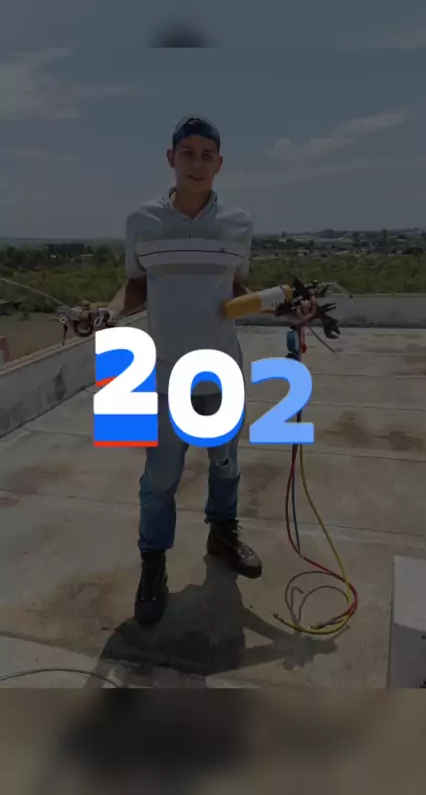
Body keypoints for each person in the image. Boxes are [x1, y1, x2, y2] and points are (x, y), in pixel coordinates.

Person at [106, 115, 263, 627]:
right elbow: (136, 285)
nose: (197, 163)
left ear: (220, 163)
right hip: (163, 374)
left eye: (207, 155)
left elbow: (235, 288)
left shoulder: (238, 223)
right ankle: (153, 567)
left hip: (221, 370)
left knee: (226, 465)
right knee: (159, 479)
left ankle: (222, 536)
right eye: (188, 153)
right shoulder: (141, 221)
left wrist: (282, 305)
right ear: (171, 158)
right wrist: (108, 312)